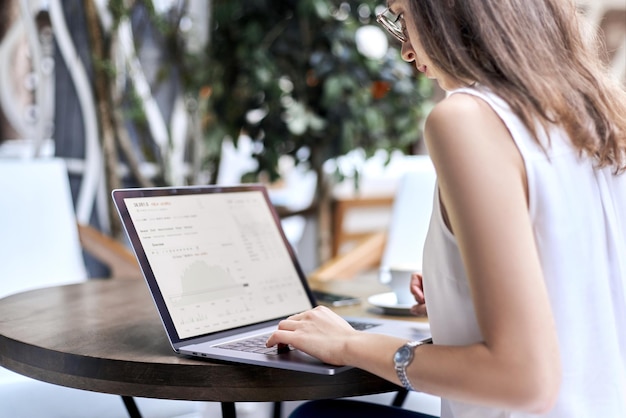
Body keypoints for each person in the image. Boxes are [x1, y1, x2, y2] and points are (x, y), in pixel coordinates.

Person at [266, 0, 626, 417]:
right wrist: (464, 300)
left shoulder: (467, 118)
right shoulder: (603, 113)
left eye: (402, 15)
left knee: (318, 416)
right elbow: (587, 291)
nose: (404, 49)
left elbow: (524, 379)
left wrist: (349, 343)